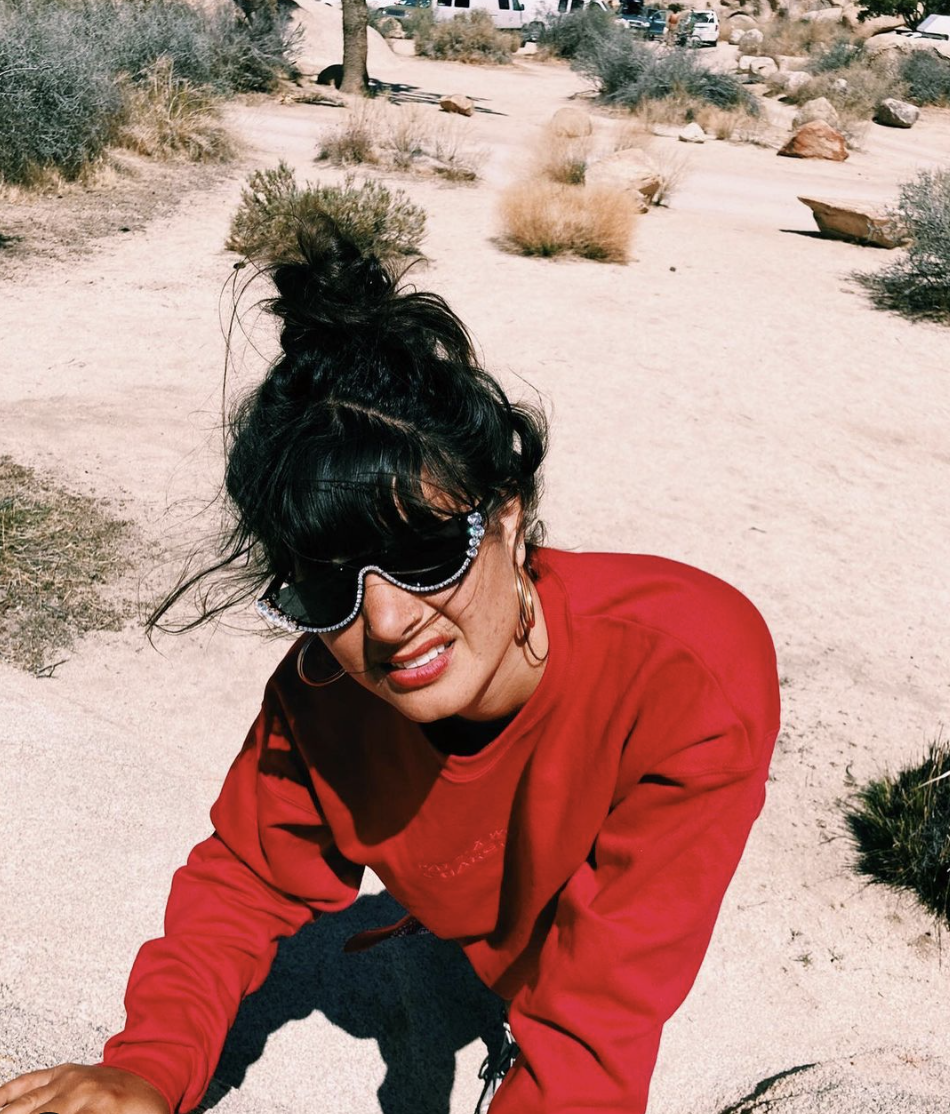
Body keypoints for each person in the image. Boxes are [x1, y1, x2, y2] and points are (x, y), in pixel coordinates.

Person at [0, 223, 780, 1114]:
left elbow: (597, 1027)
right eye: (325, 582)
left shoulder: (686, 674)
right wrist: (143, 1069)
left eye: (425, 551)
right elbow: (247, 879)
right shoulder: (321, 691)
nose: (385, 622)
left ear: (511, 521)